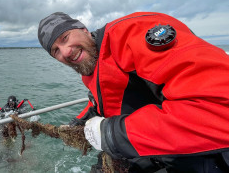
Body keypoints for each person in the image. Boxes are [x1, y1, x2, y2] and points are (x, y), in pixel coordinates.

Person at [38, 12, 229, 172]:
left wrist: (111, 134)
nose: (65, 52)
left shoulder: (129, 35)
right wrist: (78, 122)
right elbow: (101, 98)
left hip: (201, 156)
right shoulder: (90, 64)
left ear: (83, 29)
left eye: (65, 38)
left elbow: (220, 109)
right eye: (56, 51)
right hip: (148, 149)